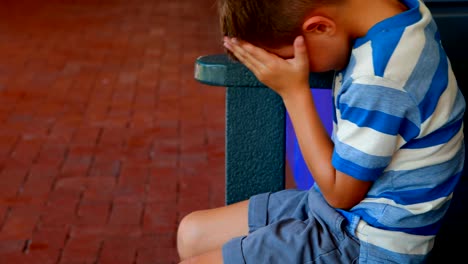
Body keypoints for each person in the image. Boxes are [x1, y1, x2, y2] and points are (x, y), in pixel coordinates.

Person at [177, 0, 466, 262]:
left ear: (319, 27)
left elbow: (341, 194)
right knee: (192, 234)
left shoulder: (379, 78)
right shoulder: (396, 13)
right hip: (337, 216)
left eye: (288, 58)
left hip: (365, 243)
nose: (291, 67)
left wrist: (293, 91)